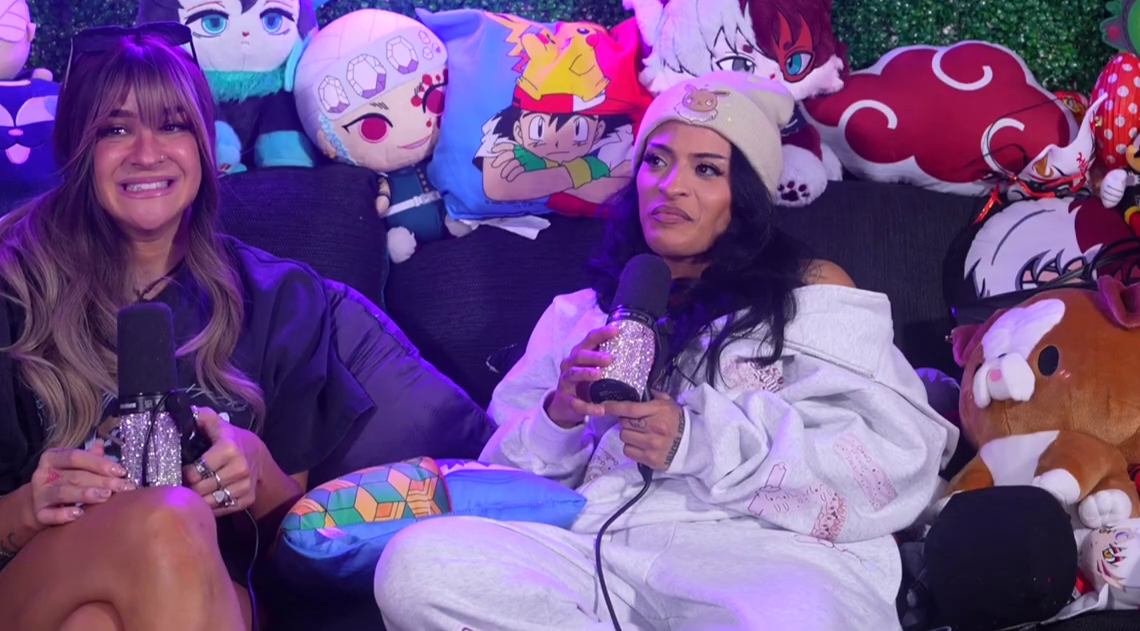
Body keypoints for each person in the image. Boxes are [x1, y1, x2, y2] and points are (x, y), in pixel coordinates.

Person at [374, 72, 957, 630]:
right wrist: (560, 416)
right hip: (597, 557)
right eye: (656, 161)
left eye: (706, 169)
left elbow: (891, 459)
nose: (671, 185)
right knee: (418, 566)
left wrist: (696, 439)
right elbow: (499, 486)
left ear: (746, 196)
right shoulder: (578, 314)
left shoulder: (810, 293)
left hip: (764, 559)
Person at [0, 23, 372, 631]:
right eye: (114, 130)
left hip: (210, 599)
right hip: (29, 592)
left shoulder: (281, 299)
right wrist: (30, 507)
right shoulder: (8, 302)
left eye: (172, 125)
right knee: (168, 517)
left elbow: (292, 543)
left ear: (204, 145)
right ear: (78, 151)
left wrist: (255, 466)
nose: (146, 153)